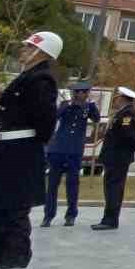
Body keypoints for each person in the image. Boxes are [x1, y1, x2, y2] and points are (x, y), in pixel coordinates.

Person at [0, 31, 60, 269]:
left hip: (21, 153)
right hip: (3, 151)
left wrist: (22, 143)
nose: (22, 50)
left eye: (28, 46)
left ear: (41, 52)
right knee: (0, 210)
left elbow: (45, 125)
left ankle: (13, 265)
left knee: (15, 212)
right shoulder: (23, 78)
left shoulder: (42, 80)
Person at [43, 81, 100, 228]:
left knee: (72, 184)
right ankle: (48, 215)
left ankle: (71, 215)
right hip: (58, 149)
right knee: (52, 185)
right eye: (78, 92)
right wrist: (69, 105)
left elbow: (96, 119)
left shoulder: (89, 107)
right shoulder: (65, 105)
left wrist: (91, 105)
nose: (80, 95)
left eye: (84, 92)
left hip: (74, 151)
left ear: (87, 94)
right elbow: (56, 116)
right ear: (74, 94)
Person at [93, 86, 135, 231]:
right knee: (110, 188)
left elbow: (127, 136)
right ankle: (108, 218)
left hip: (118, 157)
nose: (116, 100)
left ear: (123, 98)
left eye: (117, 98)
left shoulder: (128, 114)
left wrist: (130, 150)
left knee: (114, 188)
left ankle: (110, 220)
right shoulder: (122, 113)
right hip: (114, 157)